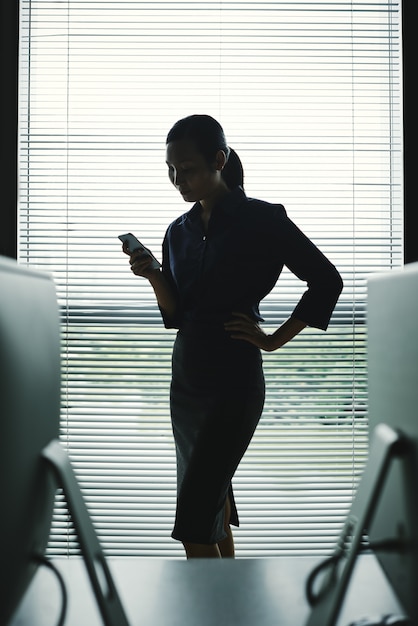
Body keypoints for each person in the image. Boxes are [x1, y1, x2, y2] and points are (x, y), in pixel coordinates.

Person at [122, 114, 343, 559]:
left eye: (186, 168)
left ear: (218, 159)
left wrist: (273, 340)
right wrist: (152, 275)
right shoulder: (177, 231)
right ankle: (230, 606)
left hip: (233, 381)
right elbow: (178, 314)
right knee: (211, 502)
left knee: (194, 519)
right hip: (187, 379)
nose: (176, 179)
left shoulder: (263, 219)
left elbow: (326, 280)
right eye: (170, 169)